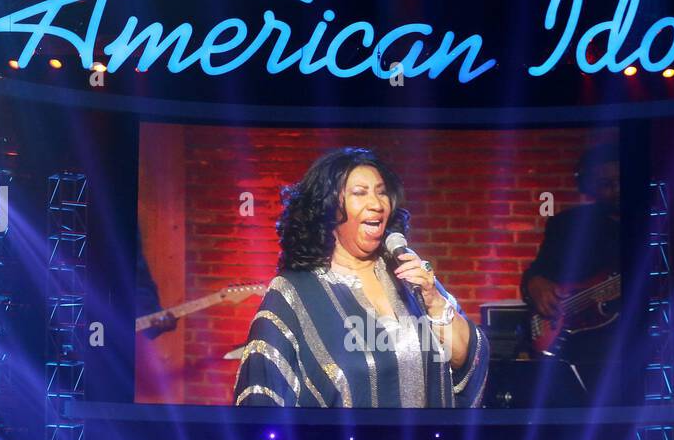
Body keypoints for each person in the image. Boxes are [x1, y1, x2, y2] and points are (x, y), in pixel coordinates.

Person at [234, 147, 489, 408]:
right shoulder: (293, 293)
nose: (377, 204)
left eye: (381, 192)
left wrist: (434, 300)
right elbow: (260, 401)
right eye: (360, 193)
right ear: (328, 209)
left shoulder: (409, 278)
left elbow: (466, 361)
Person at [520, 143, 622, 393]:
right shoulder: (567, 225)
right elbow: (536, 273)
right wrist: (535, 285)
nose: (615, 191)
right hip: (579, 347)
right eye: (604, 184)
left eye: (620, 180)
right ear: (588, 186)